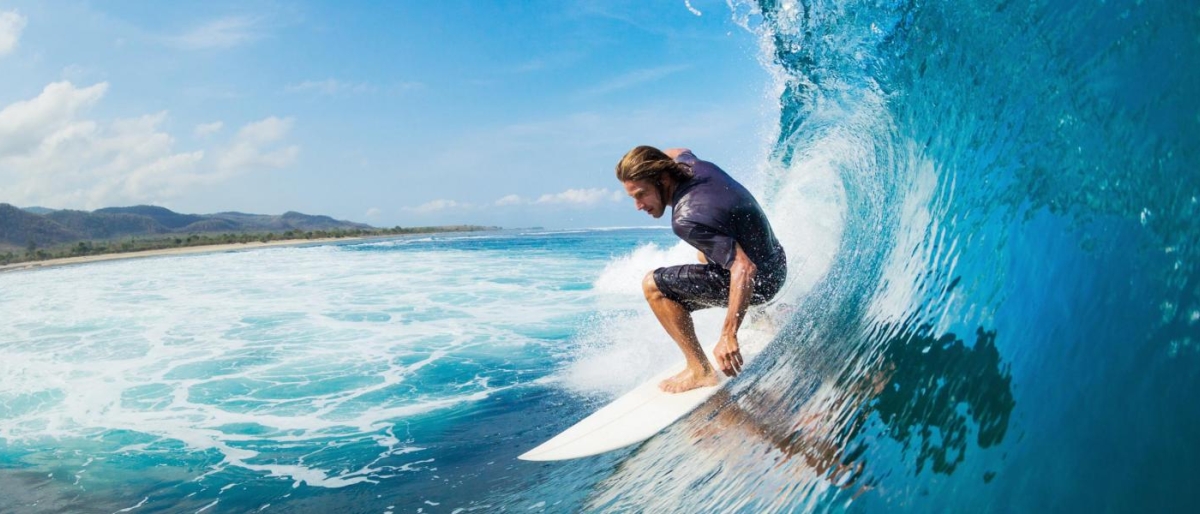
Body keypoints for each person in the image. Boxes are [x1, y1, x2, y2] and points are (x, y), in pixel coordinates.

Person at [616, 146, 787, 393]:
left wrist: (729, 334)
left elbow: (744, 267)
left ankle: (700, 370)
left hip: (763, 284)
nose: (638, 205)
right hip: (777, 261)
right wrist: (645, 161)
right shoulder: (691, 165)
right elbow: (678, 149)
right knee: (705, 252)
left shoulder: (686, 219)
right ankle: (762, 315)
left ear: (663, 179)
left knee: (653, 286)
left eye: (642, 194)